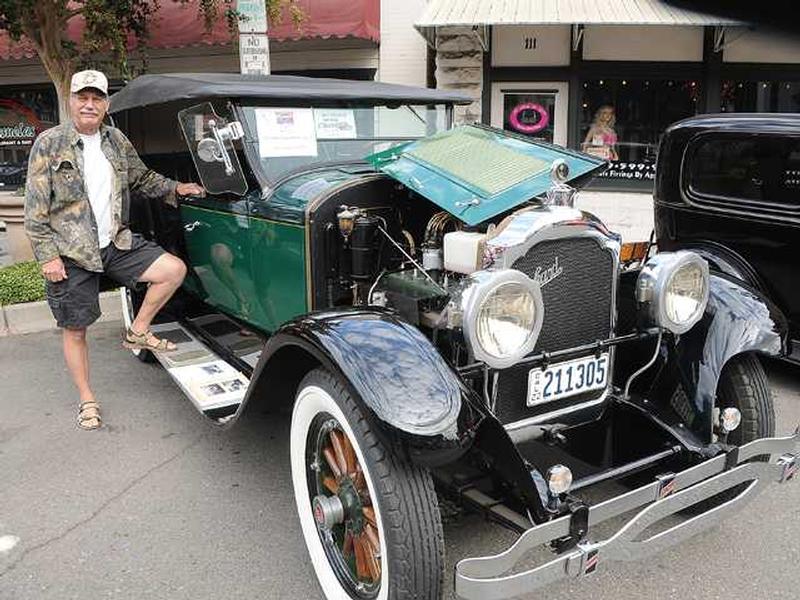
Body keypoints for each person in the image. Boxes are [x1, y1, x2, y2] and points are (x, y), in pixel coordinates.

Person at [24, 69, 204, 431]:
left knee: (172, 270)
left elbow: (143, 178)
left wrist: (177, 188)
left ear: (106, 104)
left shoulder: (116, 140)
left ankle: (138, 329)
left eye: (97, 98)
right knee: (76, 329)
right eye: (82, 98)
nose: (89, 105)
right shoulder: (50, 143)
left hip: (114, 243)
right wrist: (48, 256)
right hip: (72, 253)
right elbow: (35, 208)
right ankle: (87, 398)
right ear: (71, 101)